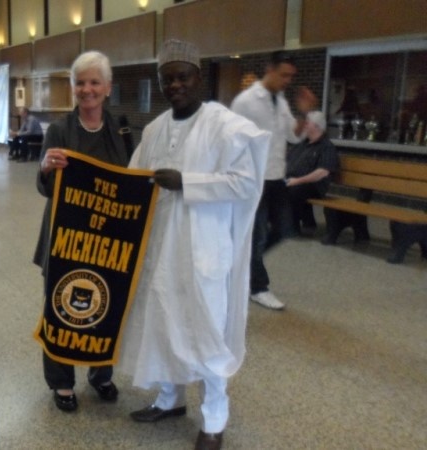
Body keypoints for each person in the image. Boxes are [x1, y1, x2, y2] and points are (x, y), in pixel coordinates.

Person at [120, 39, 270, 450]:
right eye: (167, 79)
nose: (175, 85)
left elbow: (245, 183)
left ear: (198, 77)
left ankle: (214, 420)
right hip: (161, 250)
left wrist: (187, 182)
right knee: (164, 322)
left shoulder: (224, 125)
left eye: (182, 77)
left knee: (205, 333)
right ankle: (170, 399)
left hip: (204, 250)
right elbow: (133, 177)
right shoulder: (155, 129)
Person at [34, 50, 131, 412]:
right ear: (73, 87)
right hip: (65, 235)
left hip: (107, 238)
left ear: (107, 88)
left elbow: (131, 180)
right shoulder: (59, 130)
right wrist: (45, 167)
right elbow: (45, 187)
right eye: (80, 82)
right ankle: (61, 382)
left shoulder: (122, 130)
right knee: (61, 306)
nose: (87, 89)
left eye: (94, 82)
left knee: (107, 302)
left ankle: (100, 372)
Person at [231, 50, 316, 311]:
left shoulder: (280, 101)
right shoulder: (246, 102)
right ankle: (258, 287)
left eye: (291, 76)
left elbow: (293, 136)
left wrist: (305, 113)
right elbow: (231, 140)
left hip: (276, 177)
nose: (287, 81)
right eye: (283, 75)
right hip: (253, 178)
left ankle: (241, 264)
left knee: (284, 228)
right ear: (270, 69)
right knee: (257, 236)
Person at [285, 111, 338, 234]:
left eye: (307, 123)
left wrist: (297, 181)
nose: (304, 125)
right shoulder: (301, 144)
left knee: (293, 191)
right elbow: (287, 161)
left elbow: (323, 172)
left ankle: (292, 227)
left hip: (314, 186)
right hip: (293, 180)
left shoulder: (326, 147)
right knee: (271, 186)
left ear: (317, 126)